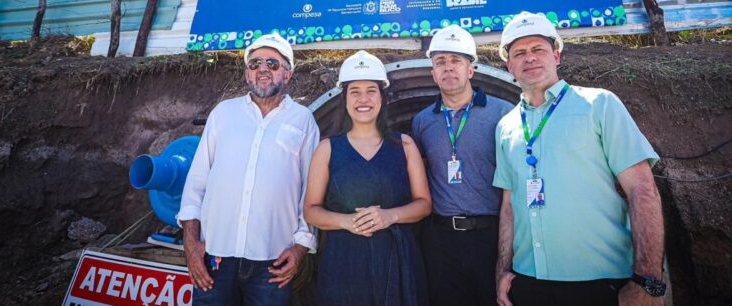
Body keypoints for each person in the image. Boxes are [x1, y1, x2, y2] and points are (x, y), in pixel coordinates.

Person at [493, 12, 666, 306]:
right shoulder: (506, 126)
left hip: (599, 284)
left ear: (557, 55)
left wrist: (647, 280)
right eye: (519, 53)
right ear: (509, 65)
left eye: (538, 50)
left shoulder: (599, 105)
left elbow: (642, 189)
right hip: (528, 283)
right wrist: (502, 271)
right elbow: (509, 206)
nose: (529, 58)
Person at [178, 33, 320, 306]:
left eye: (273, 63)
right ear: (247, 74)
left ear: (287, 74)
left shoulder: (303, 120)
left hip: (273, 261)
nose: (263, 69)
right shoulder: (223, 113)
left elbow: (309, 189)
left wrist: (301, 247)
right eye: (255, 64)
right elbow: (196, 183)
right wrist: (191, 245)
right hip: (215, 257)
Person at [304, 50, 431, 306]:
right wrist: (347, 221)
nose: (364, 99)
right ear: (345, 99)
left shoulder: (404, 145)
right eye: (355, 91)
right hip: (344, 262)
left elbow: (424, 203)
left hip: (396, 261)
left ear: (382, 98)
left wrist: (390, 216)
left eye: (371, 90)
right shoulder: (327, 149)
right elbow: (311, 211)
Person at [411, 25, 514, 306]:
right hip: (441, 239)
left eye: (456, 60)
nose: (448, 68)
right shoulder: (422, 121)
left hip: (489, 237)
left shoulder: (503, 112)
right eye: (440, 62)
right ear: (432, 72)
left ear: (471, 69)